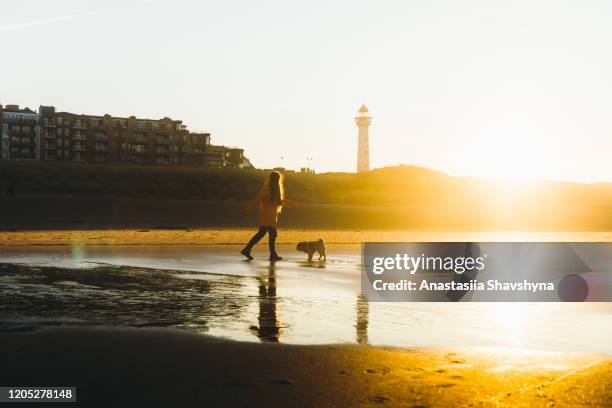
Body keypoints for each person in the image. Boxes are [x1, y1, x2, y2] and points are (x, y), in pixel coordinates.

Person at [241, 171, 297, 261]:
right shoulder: (267, 188)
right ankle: (272, 254)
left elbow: (279, 201)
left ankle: (248, 249)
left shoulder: (275, 189)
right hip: (267, 215)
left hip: (271, 215)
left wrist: (291, 203)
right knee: (271, 233)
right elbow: (258, 199)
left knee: (263, 233)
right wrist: (249, 209)